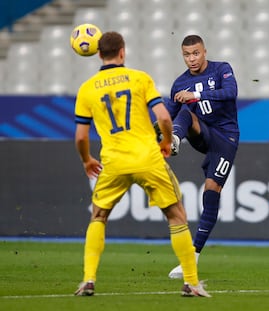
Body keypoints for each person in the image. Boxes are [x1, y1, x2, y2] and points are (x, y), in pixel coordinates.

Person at [73, 31, 210, 297]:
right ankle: (191, 283)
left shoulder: (87, 88)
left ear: (99, 54)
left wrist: (87, 160)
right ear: (123, 52)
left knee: (99, 216)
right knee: (176, 215)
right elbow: (164, 118)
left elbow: (80, 136)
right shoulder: (140, 78)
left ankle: (88, 280)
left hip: (113, 162)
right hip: (147, 158)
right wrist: (166, 142)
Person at [164, 35, 239, 279]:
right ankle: (175, 140)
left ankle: (192, 257)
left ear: (204, 51)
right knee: (185, 116)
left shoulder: (221, 69)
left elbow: (231, 92)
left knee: (211, 191)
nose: (192, 59)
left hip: (226, 139)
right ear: (182, 55)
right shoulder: (179, 84)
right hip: (203, 134)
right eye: (187, 54)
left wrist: (195, 97)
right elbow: (168, 115)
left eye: (196, 53)